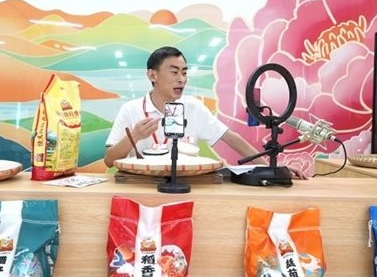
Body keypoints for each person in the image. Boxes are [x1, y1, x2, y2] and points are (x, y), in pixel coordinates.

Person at [104, 46, 307, 179]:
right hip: (140, 186)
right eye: (174, 72)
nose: (182, 79)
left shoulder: (193, 107)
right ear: (152, 75)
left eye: (184, 73)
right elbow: (109, 160)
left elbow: (232, 139)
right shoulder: (131, 109)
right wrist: (135, 136)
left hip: (186, 187)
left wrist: (271, 169)